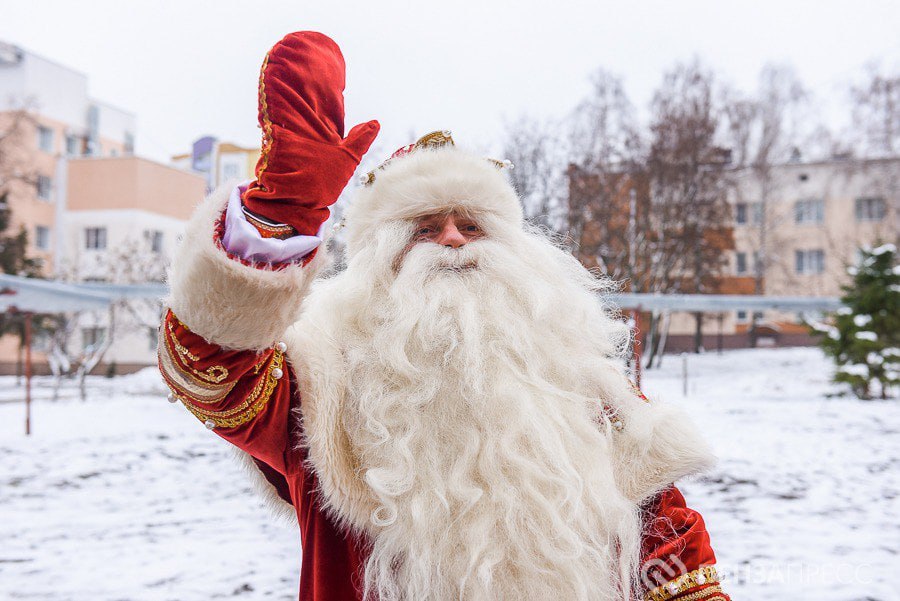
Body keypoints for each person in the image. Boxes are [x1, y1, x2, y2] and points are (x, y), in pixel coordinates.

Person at [159, 31, 730, 601]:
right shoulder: (321, 383)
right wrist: (278, 217)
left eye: (472, 225)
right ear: (379, 263)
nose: (453, 241)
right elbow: (212, 372)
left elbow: (667, 541)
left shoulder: (579, 379)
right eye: (424, 229)